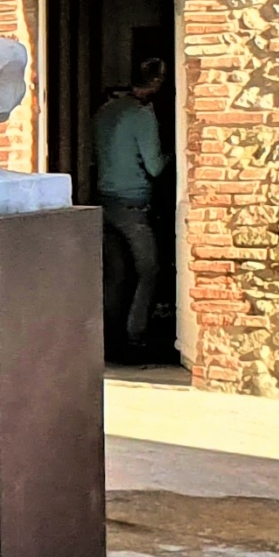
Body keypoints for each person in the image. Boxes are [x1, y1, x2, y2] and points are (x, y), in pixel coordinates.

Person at [93, 56, 170, 355]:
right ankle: (136, 335)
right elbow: (154, 166)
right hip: (133, 203)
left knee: (116, 273)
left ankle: (109, 337)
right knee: (149, 270)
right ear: (157, 83)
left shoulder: (106, 110)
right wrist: (173, 156)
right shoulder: (142, 115)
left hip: (105, 200)